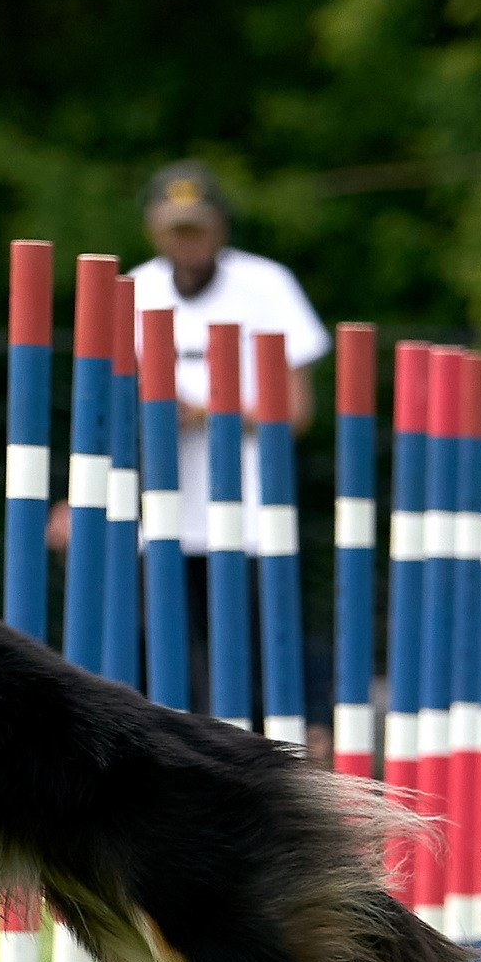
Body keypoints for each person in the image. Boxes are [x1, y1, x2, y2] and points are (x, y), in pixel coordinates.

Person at [128, 162, 329, 716]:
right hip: (159, 513)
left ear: (221, 227)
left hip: (250, 516)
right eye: (176, 228)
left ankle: (282, 766)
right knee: (158, 674)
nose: (187, 240)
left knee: (257, 670)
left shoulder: (267, 286)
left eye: (197, 226)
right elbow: (106, 408)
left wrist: (209, 413)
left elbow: (296, 410)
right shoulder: (133, 290)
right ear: (153, 229)